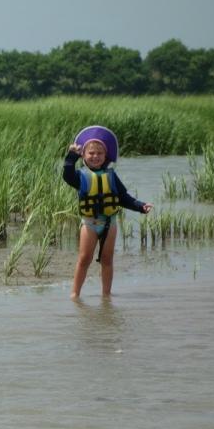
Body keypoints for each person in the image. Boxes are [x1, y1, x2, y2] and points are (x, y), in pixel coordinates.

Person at [63, 125, 152, 299]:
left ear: (106, 156)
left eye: (99, 153)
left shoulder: (111, 175)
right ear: (84, 155)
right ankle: (75, 294)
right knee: (84, 259)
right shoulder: (80, 177)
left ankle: (106, 295)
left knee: (107, 260)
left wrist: (141, 206)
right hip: (89, 223)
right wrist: (71, 156)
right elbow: (67, 175)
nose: (95, 156)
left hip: (109, 223)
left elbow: (123, 197)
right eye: (91, 153)